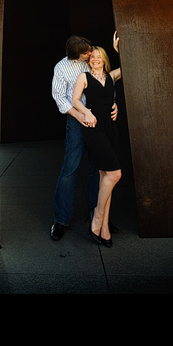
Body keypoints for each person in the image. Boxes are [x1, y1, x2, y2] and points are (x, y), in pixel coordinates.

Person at [50, 34, 118, 241]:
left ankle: (96, 214)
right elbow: (59, 97)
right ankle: (61, 220)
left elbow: (106, 80)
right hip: (77, 119)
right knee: (70, 168)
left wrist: (114, 104)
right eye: (86, 53)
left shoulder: (92, 58)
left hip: (100, 120)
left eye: (91, 50)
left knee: (97, 168)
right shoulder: (62, 68)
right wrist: (81, 115)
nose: (91, 54)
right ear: (76, 56)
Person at [72, 40, 122, 247]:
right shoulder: (83, 77)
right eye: (92, 57)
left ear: (104, 59)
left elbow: (129, 65)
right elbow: (75, 100)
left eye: (99, 56)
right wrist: (86, 112)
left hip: (110, 127)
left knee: (105, 177)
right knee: (114, 174)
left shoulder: (112, 76)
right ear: (89, 61)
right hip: (93, 127)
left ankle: (105, 229)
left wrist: (119, 49)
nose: (95, 59)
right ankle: (97, 218)